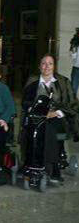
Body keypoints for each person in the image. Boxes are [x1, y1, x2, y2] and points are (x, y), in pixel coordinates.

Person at [21, 54, 79, 183]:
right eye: (44, 63)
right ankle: (31, 163)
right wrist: (33, 110)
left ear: (54, 66)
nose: (46, 66)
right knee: (36, 127)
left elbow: (73, 104)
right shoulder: (32, 81)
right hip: (37, 116)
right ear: (39, 66)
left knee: (48, 128)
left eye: (50, 63)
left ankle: (53, 166)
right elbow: (25, 102)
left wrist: (57, 112)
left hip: (58, 118)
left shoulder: (63, 82)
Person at [69, 27, 79, 96]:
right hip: (76, 69)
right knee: (73, 90)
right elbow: (73, 57)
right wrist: (73, 49)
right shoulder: (76, 43)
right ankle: (73, 106)